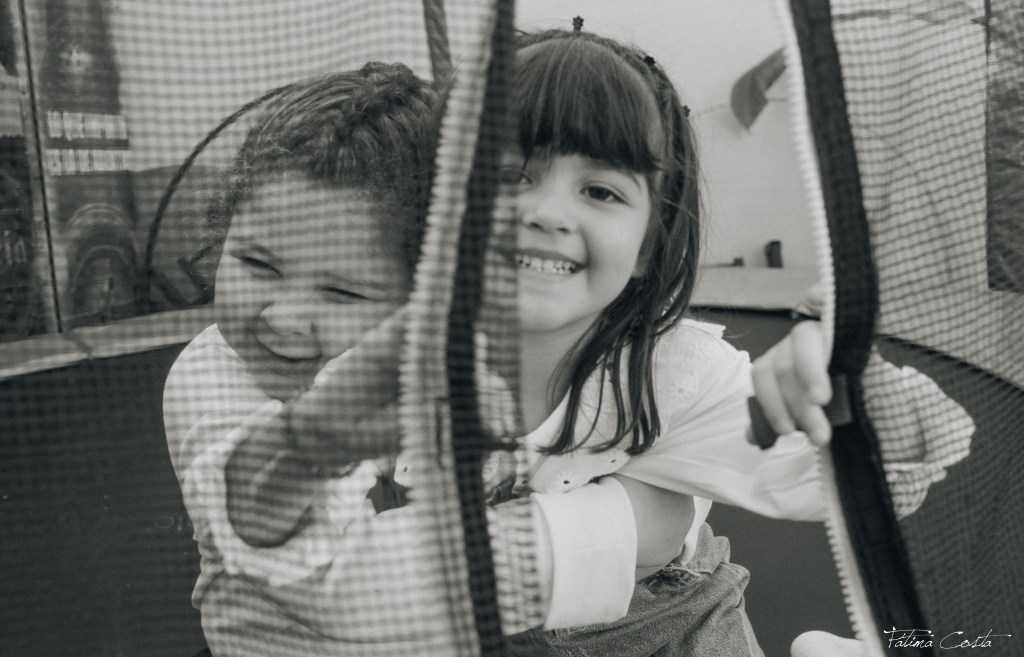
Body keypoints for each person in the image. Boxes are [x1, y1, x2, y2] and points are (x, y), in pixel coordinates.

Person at [162, 62, 454, 656]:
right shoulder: (210, 374)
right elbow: (342, 588)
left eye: (342, 292)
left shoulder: (444, 369)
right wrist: (594, 539)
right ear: (223, 234)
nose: (284, 317)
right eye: (257, 264)